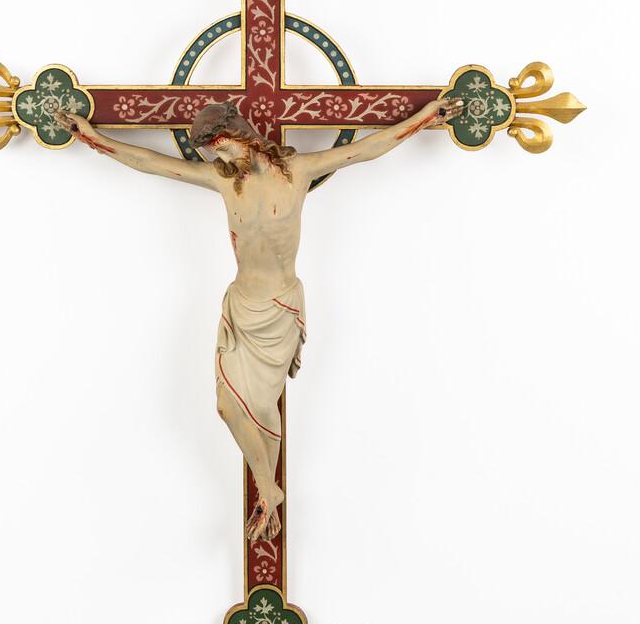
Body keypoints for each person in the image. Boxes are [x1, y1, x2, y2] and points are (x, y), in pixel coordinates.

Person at [54, 93, 462, 541]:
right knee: (228, 406)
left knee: (263, 408)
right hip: (242, 308)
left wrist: (426, 118)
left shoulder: (299, 171)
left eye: (225, 149)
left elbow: (367, 149)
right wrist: (93, 139)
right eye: (215, 155)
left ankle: (268, 490)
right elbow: (150, 162)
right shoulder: (224, 181)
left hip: (280, 308)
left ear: (242, 136)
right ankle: (269, 489)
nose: (222, 160)